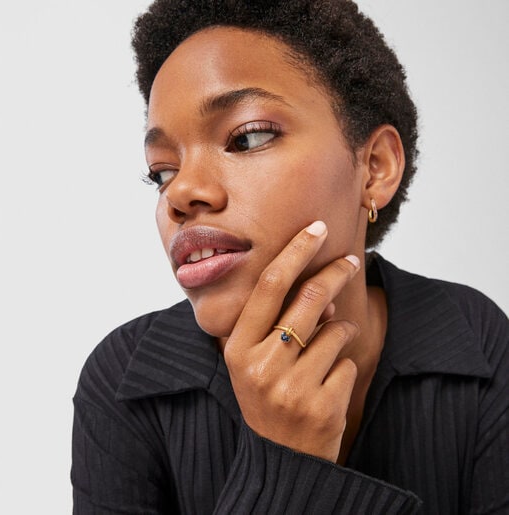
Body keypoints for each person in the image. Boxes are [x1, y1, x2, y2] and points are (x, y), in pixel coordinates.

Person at [71, 1, 509, 513]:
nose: (181, 192)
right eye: (161, 171)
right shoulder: (123, 380)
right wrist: (284, 464)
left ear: (374, 168)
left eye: (247, 137)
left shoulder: (477, 343)